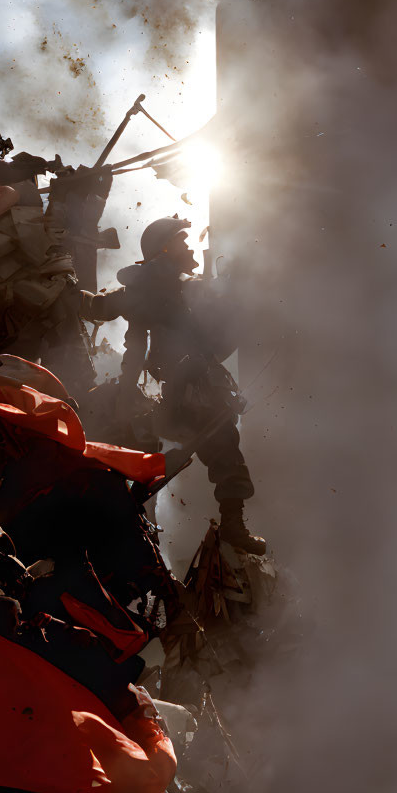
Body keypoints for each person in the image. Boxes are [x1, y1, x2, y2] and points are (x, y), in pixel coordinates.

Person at [83, 216, 265, 555]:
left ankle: (228, 525)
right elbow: (130, 337)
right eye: (181, 240)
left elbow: (138, 340)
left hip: (192, 387)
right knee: (223, 448)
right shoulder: (159, 284)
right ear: (164, 247)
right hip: (187, 391)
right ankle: (231, 526)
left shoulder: (177, 285)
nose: (188, 245)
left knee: (219, 446)